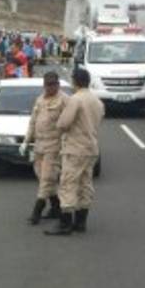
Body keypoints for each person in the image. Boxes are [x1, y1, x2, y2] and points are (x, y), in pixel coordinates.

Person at [46, 67, 104, 236]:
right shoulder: (97, 101)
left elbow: (63, 123)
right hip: (91, 147)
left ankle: (65, 223)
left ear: (75, 81)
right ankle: (81, 222)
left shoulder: (76, 99)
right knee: (85, 184)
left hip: (75, 147)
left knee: (68, 184)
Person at [20, 71, 66, 225]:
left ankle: (37, 212)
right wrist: (26, 141)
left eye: (53, 84)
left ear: (58, 84)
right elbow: (33, 122)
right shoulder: (40, 99)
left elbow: (69, 123)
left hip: (54, 144)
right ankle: (56, 206)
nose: (50, 87)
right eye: (47, 84)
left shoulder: (64, 100)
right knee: (41, 175)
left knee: (47, 178)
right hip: (39, 143)